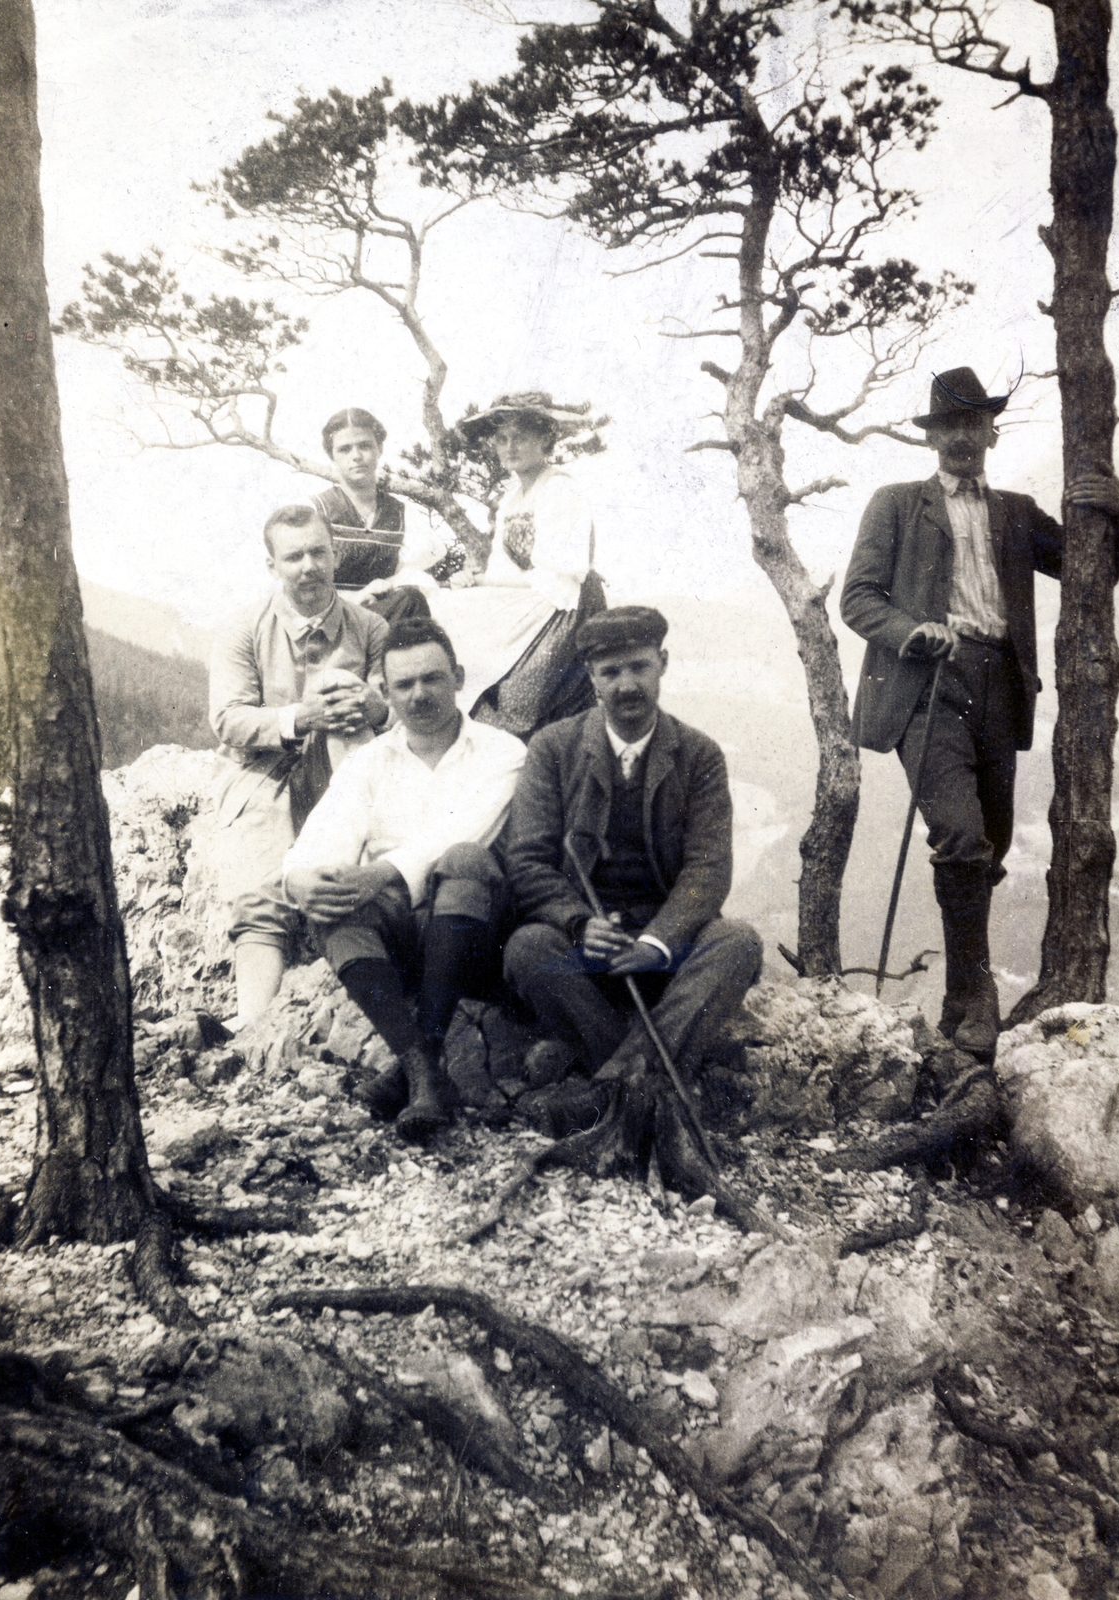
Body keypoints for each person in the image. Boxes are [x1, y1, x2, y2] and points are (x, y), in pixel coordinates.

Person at [840, 366, 1119, 1055]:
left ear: (990, 433)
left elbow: (1085, 568)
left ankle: (962, 1000)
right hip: (927, 685)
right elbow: (858, 598)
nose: (961, 438)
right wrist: (909, 633)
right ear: (932, 438)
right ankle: (972, 1000)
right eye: (949, 425)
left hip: (998, 687)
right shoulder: (894, 504)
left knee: (992, 845)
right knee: (961, 836)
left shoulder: (1014, 510)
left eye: (972, 424)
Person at [277, 617, 527, 1141]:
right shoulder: (369, 762)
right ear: (385, 693)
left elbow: (469, 833)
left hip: (477, 935)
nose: (419, 695)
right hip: (404, 944)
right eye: (404, 684)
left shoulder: (504, 753)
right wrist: (300, 881)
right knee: (332, 901)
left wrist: (382, 874)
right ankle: (424, 1072)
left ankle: (419, 1064)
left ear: (458, 677)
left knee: (463, 859)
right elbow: (319, 842)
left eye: (432, 678)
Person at [502, 606, 763, 1086]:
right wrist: (580, 924)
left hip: (668, 953)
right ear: (591, 678)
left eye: (639, 667)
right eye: (611, 672)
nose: (626, 685)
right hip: (588, 952)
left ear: (662, 662)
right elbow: (529, 861)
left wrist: (656, 943)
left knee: (738, 942)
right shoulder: (552, 748)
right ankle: (653, 1074)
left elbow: (708, 869)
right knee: (528, 947)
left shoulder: (698, 754)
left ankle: (620, 1074)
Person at [210, 503, 389, 1024]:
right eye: (293, 557)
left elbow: (395, 706)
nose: (307, 567)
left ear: (335, 555)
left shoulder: (370, 626)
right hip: (267, 772)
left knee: (352, 877)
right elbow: (227, 718)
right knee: (261, 885)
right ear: (273, 566)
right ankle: (251, 1021)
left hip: (348, 766)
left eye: (318, 552)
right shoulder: (243, 627)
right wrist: (298, 717)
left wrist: (375, 707)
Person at [428, 391, 606, 738]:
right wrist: (475, 578)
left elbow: (560, 575)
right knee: (444, 611)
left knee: (514, 692)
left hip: (565, 606)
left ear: (545, 439)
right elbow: (502, 569)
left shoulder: (560, 490)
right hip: (528, 600)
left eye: (520, 437)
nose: (510, 447)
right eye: (503, 439)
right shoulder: (511, 497)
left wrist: (487, 585)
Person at [312, 406, 445, 625]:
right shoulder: (317, 510)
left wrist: (386, 587)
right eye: (345, 449)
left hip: (384, 615)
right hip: (330, 618)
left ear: (379, 449)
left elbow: (409, 576)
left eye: (364, 446)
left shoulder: (400, 514)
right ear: (331, 456)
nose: (356, 456)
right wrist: (356, 597)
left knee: (411, 600)